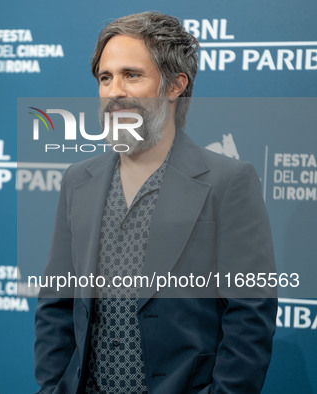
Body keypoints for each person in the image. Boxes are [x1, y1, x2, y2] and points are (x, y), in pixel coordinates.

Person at [34, 11, 277, 394]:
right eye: (105, 77)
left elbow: (249, 317)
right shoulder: (78, 180)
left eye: (132, 75)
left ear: (175, 85)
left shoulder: (228, 182)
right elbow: (57, 303)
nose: (115, 90)